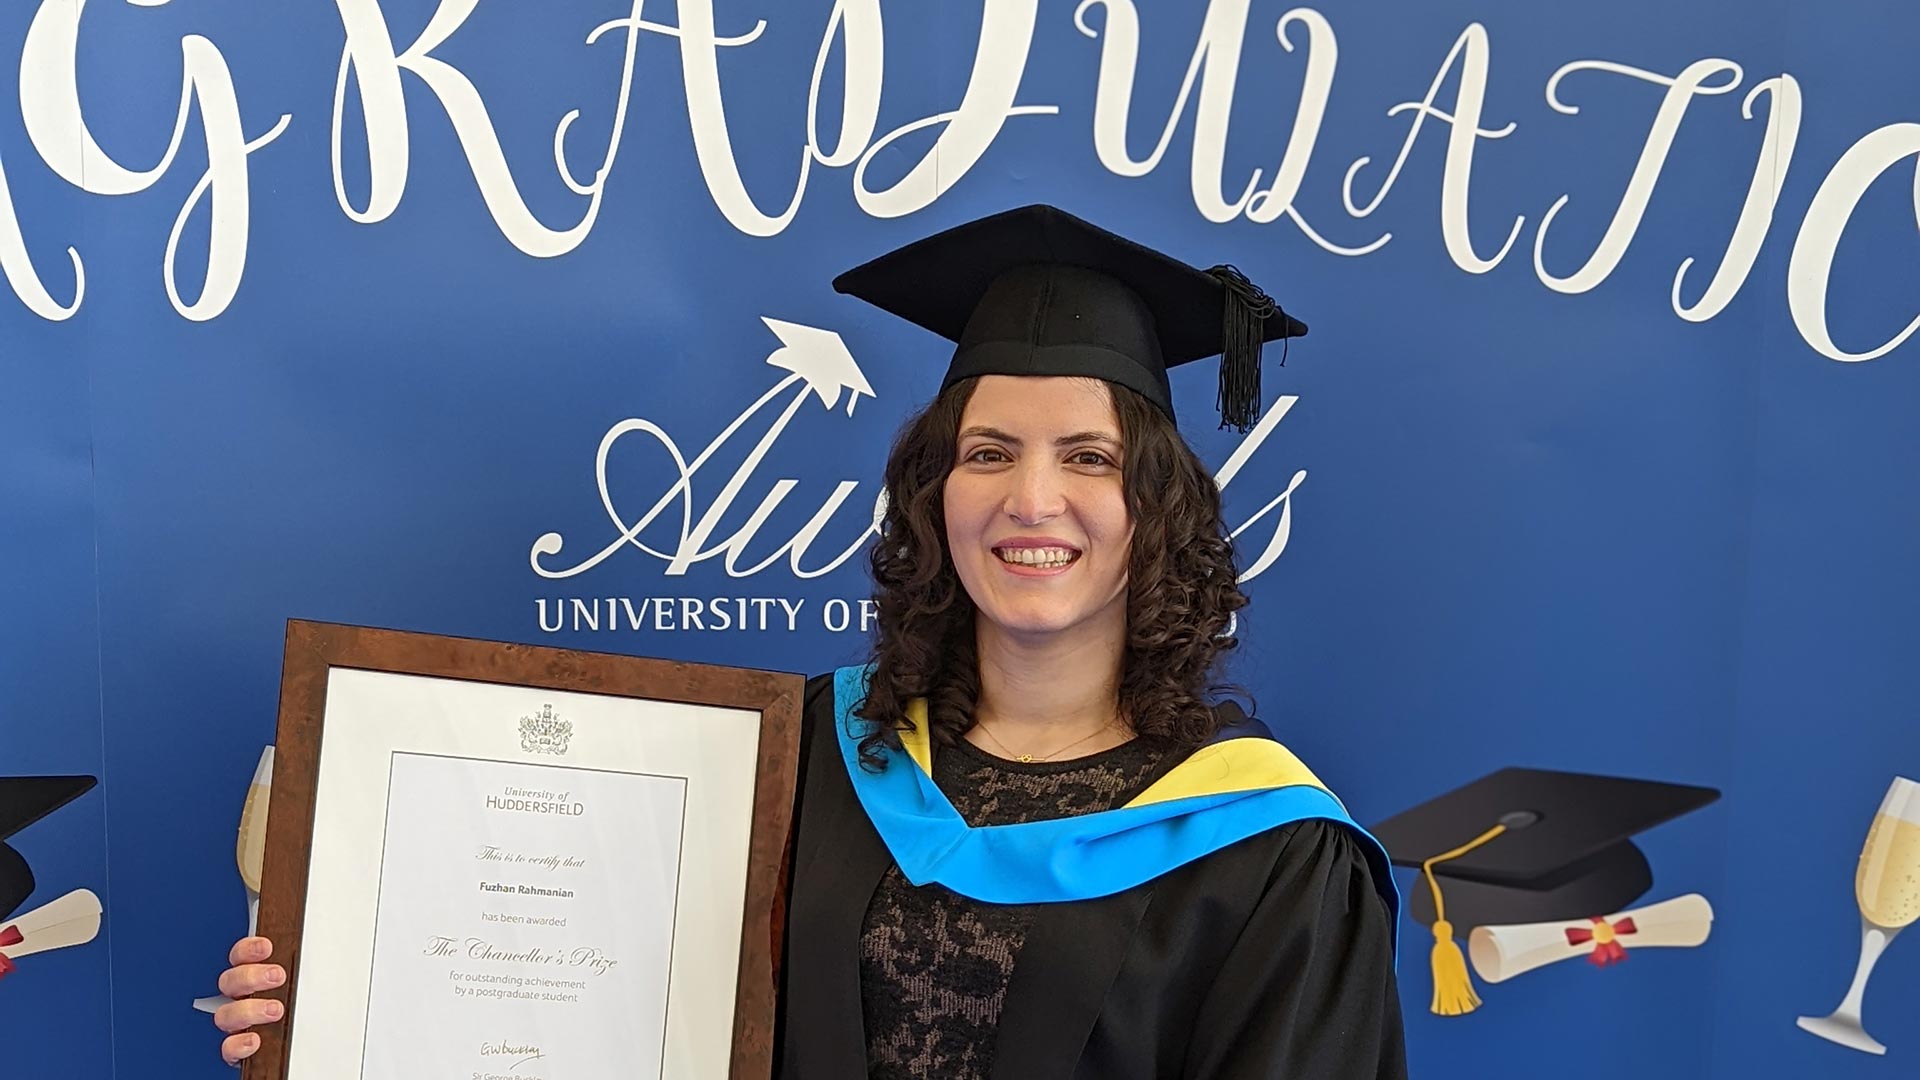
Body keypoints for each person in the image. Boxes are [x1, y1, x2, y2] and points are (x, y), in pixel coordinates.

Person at [213, 204, 1405, 1078]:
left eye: (1087, 457)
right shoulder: (805, 765)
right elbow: (586, 1006)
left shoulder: (1270, 853)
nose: (1031, 501)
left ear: (1157, 506)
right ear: (934, 491)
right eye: (987, 452)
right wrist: (337, 1007)